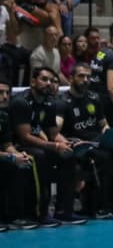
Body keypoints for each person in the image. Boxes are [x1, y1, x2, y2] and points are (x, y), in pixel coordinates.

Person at [55, 63, 113, 218]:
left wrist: (111, 135)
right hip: (79, 145)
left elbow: (103, 125)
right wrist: (65, 142)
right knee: (104, 158)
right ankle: (102, 208)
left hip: (99, 142)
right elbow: (55, 131)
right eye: (81, 76)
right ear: (71, 78)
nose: (85, 80)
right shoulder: (62, 101)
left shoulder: (94, 98)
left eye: (88, 76)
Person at [9, 66, 85, 226]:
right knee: (40, 157)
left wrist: (66, 144)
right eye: (44, 79)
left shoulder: (50, 103)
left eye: (51, 80)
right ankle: (40, 213)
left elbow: (53, 133)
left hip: (39, 144)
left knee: (69, 156)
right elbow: (25, 137)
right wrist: (54, 146)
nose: (48, 83)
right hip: (17, 147)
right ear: (33, 81)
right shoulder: (21, 102)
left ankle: (64, 210)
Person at [0, 77, 38, 230]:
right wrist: (9, 156)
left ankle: (15, 216)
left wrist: (17, 155)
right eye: (0, 93)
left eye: (7, 93)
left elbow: (7, 144)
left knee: (22, 165)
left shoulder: (3, 116)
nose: (4, 97)